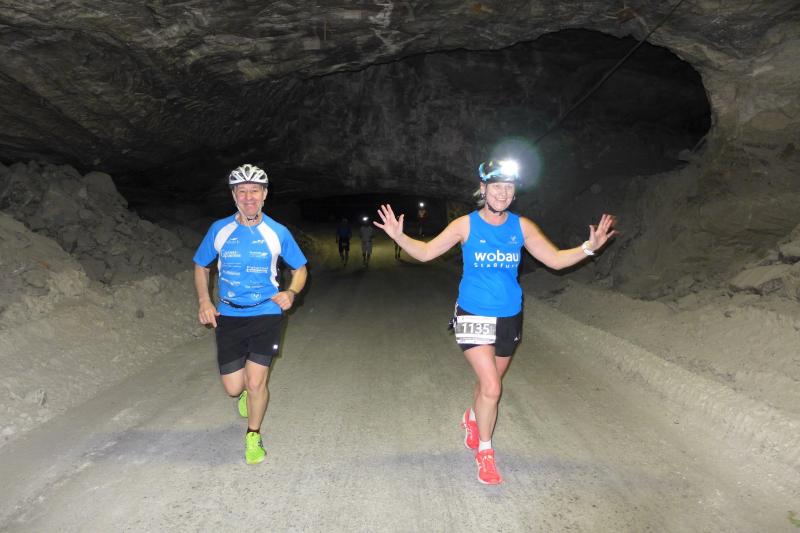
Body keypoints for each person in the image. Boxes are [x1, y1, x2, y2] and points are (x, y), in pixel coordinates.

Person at [374, 159, 617, 485]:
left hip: (509, 316)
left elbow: (556, 260)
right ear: (483, 189)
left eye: (509, 187)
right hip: (473, 313)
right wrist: (398, 236)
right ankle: (485, 453)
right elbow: (427, 252)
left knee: (487, 384)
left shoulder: (522, 227)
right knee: (492, 387)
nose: (503, 193)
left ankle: (472, 417)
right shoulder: (465, 225)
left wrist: (589, 248)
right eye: (497, 187)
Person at [193, 163, 308, 465]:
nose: (248, 197)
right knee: (234, 388)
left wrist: (291, 292)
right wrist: (205, 301)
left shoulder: (277, 232)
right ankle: (245, 393)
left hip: (266, 315)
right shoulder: (220, 230)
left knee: (257, 383)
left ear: (264, 194)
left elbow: (300, 269)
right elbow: (201, 265)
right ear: (234, 195)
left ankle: (253, 435)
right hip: (229, 316)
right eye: (241, 191)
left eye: (254, 191)